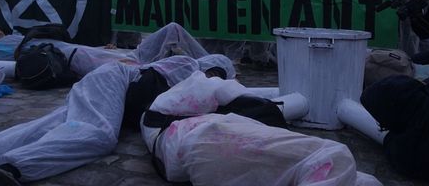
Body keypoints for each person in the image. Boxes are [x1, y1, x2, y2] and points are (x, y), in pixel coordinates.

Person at [0, 53, 234, 186]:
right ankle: (9, 170)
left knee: (41, 130)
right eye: (215, 73)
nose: (213, 81)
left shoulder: (200, 90)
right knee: (97, 135)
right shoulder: (188, 66)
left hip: (105, 95)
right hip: (109, 84)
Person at [141, 70, 383, 186]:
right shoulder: (196, 91)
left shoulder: (163, 112)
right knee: (334, 156)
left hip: (192, 149)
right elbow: (236, 95)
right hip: (205, 139)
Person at [0, 22, 213, 77]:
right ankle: (203, 73)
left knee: (172, 28)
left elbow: (70, 46)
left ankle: (213, 64)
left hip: (84, 51)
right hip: (76, 59)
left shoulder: (20, 36)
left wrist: (101, 47)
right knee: (140, 71)